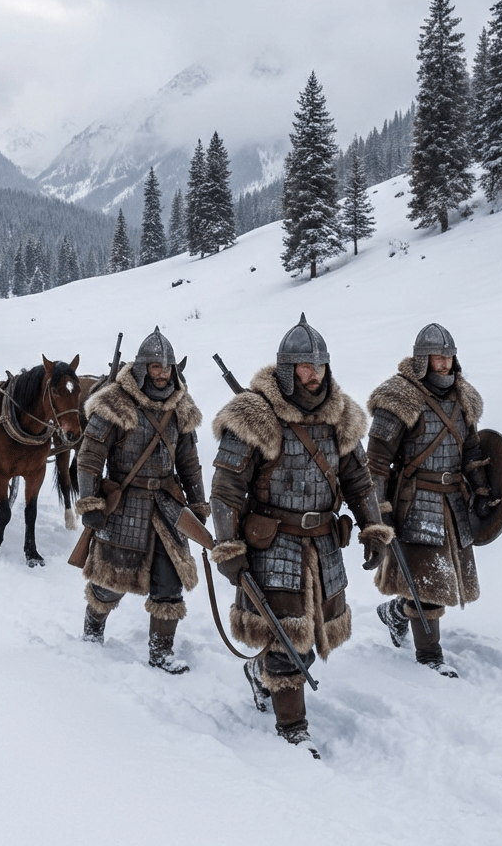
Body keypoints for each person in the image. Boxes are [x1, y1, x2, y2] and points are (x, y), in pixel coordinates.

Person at [208, 314, 391, 757]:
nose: (314, 375)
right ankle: (293, 727)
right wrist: (228, 545)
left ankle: (260, 675)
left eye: (320, 366)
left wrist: (372, 527)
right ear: (287, 369)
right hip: (274, 544)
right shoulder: (254, 415)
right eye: (305, 367)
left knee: (311, 635)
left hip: (324, 545)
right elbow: (226, 488)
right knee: (287, 637)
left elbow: (359, 480)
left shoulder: (342, 416)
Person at [75, 327, 209, 674]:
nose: (162, 373)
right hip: (124, 507)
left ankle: (161, 653)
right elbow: (89, 457)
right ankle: (93, 628)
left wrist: (198, 504)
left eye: (167, 367)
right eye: (155, 366)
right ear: (141, 368)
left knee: (169, 583)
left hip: (166, 506)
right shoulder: (115, 402)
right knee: (109, 582)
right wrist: (90, 503)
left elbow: (189, 461)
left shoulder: (181, 405)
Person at [366, 323, 492, 678]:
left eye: (449, 357)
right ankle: (429, 657)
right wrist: (381, 512)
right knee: (430, 582)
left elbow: (472, 450)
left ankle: (394, 613)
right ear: (423, 360)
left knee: (431, 577)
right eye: (438, 357)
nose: (445, 364)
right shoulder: (399, 399)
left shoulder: (462, 397)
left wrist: (482, 491)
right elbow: (375, 462)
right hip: (415, 501)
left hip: (453, 503)